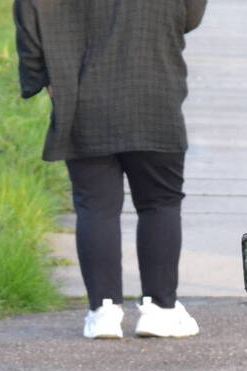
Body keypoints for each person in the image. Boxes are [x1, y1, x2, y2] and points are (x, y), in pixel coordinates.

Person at [13, 0, 208, 339]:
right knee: (159, 202)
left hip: (81, 94)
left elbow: (28, 16)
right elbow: (190, 16)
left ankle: (102, 312)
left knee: (95, 206)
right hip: (155, 87)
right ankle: (160, 309)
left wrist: (39, 76)